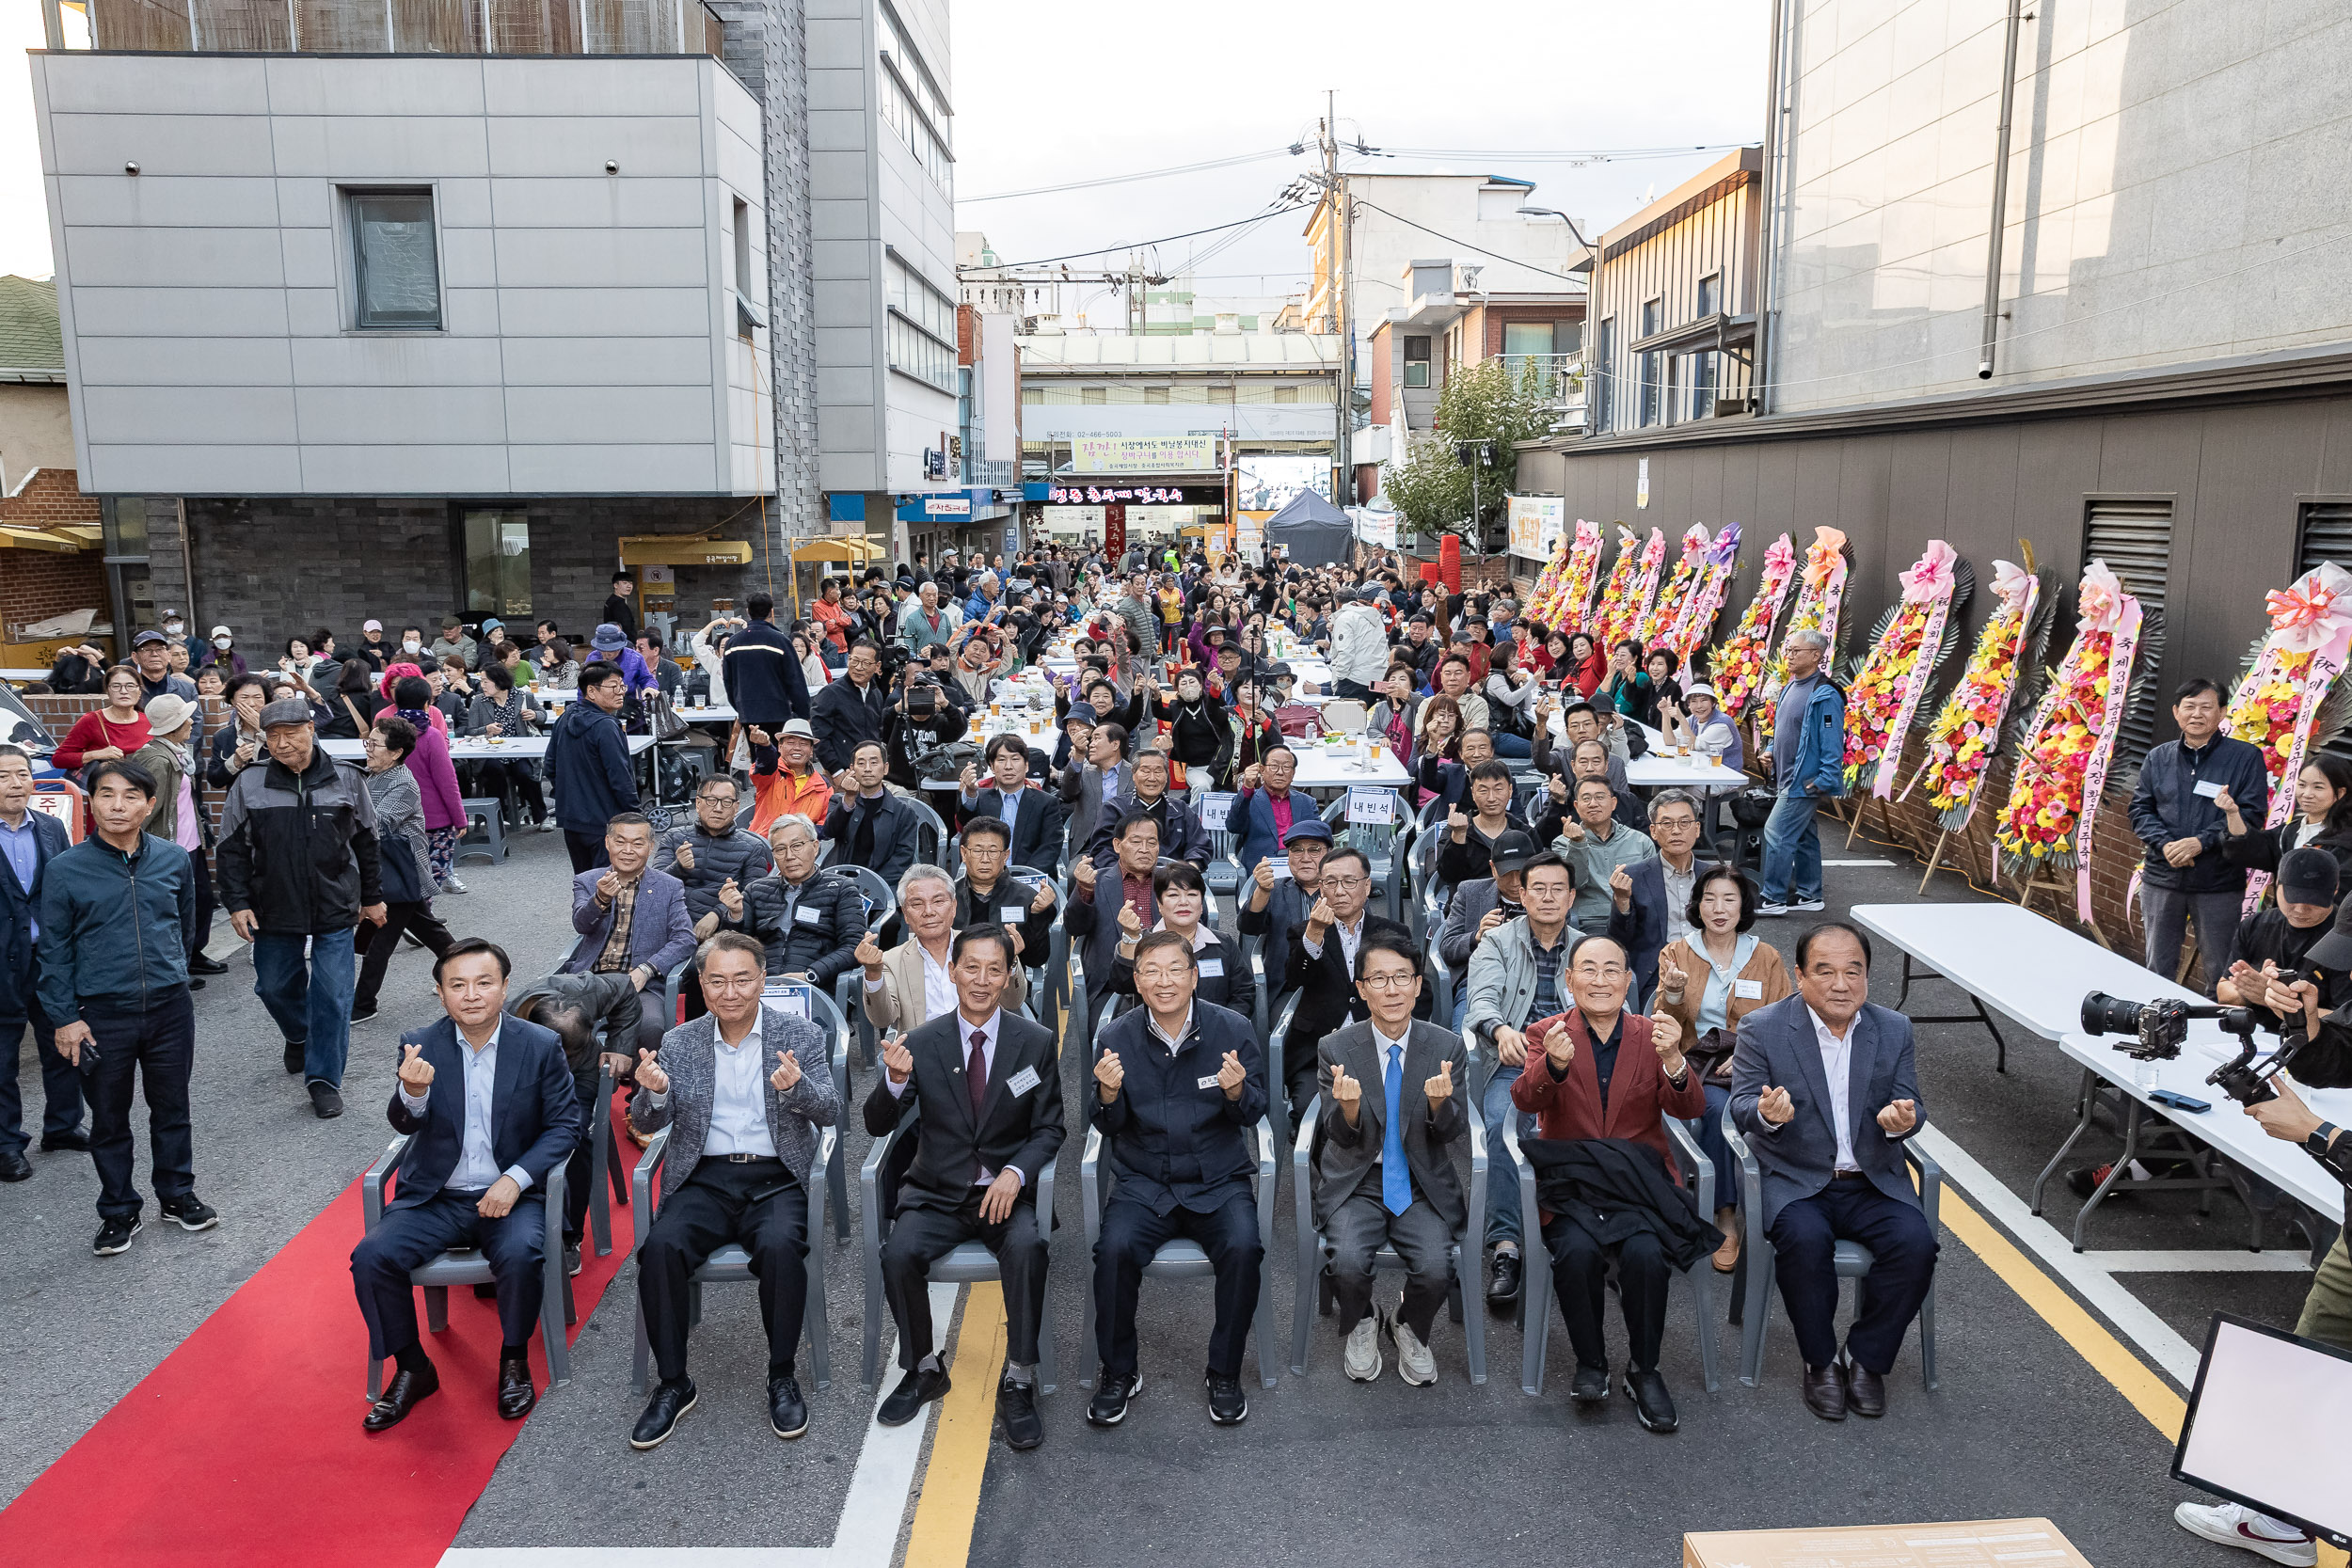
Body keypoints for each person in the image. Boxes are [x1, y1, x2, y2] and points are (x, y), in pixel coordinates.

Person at [350, 940, 581, 1432]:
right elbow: (404, 1124)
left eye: (483, 983)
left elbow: (565, 1126)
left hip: (510, 1194)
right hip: (436, 1196)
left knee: (521, 1254)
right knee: (371, 1258)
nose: (471, 995)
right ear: (440, 993)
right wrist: (412, 1093)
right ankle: (413, 1367)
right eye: (458, 985)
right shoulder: (420, 1044)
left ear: (504, 988)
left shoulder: (539, 1045)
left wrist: (515, 1180)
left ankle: (513, 1358)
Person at [626, 930, 839, 1449]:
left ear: (762, 980)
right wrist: (655, 1095)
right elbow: (648, 1120)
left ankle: (781, 1374)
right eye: (717, 981)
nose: (730, 992)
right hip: (704, 1177)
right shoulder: (681, 1041)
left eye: (742, 979)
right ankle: (674, 1382)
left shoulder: (799, 1034)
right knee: (660, 1248)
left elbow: (832, 1111)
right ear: (701, 984)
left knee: (781, 1248)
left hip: (776, 1177)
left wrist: (798, 1089)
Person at [1730, 923, 1937, 1421]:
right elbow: (1741, 1105)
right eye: (1825, 972)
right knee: (1804, 1243)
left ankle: (1866, 1359)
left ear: (1866, 977)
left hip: (1873, 1181)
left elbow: (1911, 1103)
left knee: (1916, 1246)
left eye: (1853, 972)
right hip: (1796, 1179)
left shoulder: (1894, 1028)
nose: (1841, 985)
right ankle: (1820, 1361)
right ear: (1800, 976)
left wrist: (1902, 1122)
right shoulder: (1763, 1027)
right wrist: (1766, 1115)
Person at [866, 926, 1063, 1449]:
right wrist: (893, 1082)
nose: (981, 979)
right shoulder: (921, 1042)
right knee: (898, 1254)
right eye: (970, 967)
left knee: (1028, 1248)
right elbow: (876, 1123)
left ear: (1009, 975)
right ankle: (924, 1368)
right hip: (937, 1191)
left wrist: (1015, 1172)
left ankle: (1018, 1377)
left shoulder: (1035, 1042)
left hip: (1003, 1194)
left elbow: (1050, 1127)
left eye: (994, 969)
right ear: (952, 972)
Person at [1514, 933, 1704, 1433]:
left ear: (1628, 980)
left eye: (1611, 970)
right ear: (1569, 979)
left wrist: (1675, 1062)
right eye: (1589, 970)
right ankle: (1591, 1362)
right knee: (1576, 1252)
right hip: (1572, 1181)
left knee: (1646, 1254)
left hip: (1636, 1184)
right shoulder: (1546, 1032)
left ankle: (1644, 1369)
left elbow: (1690, 1108)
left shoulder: (1652, 1033)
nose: (1600, 980)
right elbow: (1526, 1101)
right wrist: (1552, 1065)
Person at [1087, 927, 1266, 1425]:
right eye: (1151, 971)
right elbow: (1107, 1125)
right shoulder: (1115, 1037)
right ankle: (1119, 1372)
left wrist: (1237, 1093)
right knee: (1113, 1251)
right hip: (1145, 1181)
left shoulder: (1232, 1029)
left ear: (1194, 977)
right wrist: (1107, 1096)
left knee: (1244, 1248)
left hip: (1218, 1178)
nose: (1163, 981)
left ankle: (1224, 1372)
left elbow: (1255, 1111)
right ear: (1137, 981)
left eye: (1174, 970)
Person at [38, 760, 211, 1254]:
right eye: (107, 794)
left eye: (131, 796)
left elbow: (183, 926)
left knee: (172, 1108)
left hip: (169, 1008)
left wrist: (170, 973)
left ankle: (177, 1194)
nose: (118, 806)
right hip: (100, 1015)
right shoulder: (65, 869)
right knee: (109, 1117)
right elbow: (53, 950)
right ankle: (118, 1209)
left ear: (150, 805)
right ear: (91, 802)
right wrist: (65, 1018)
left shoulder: (173, 859)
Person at [1311, 929, 1470, 1385]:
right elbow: (1337, 1136)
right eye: (1378, 979)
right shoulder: (1335, 1048)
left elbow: (1451, 1133)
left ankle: (1407, 1323)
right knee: (1345, 1262)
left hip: (1420, 1180)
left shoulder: (1446, 1047)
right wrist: (1348, 1109)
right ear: (1362, 990)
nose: (1392, 989)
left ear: (1418, 985)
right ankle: (1364, 1318)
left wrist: (1440, 1106)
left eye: (1402, 977)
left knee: (1437, 1267)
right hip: (1358, 1179)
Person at [216, 697, 387, 1117]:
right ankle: (298, 1035)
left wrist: (372, 896)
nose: (281, 744)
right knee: (273, 986)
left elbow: (368, 841)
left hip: (335, 902)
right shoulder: (250, 782)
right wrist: (237, 902)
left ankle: (323, 1080)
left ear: (312, 729)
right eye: (273, 736)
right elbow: (231, 849)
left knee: (333, 994)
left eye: (291, 733)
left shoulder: (347, 778)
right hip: (272, 903)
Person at [1654, 865, 1792, 1274]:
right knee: (1719, 1108)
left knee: (1785, 1104)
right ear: (1697, 905)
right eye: (1710, 898)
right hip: (1698, 1062)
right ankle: (1726, 1214)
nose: (1719, 908)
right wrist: (1674, 991)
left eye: (1729, 899)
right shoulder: (1676, 953)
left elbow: (1786, 1019)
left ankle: (1783, 1203)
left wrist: (1749, 1054)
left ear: (1743, 906)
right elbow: (1664, 1023)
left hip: (1757, 1061)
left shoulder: (1766, 957)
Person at [2132, 678, 2273, 980]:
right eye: (2190, 706)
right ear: (2176, 712)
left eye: (2206, 707)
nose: (2197, 714)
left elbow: (2251, 814)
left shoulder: (2245, 758)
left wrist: (2201, 842)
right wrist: (2166, 844)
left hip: (2218, 882)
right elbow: (2140, 810)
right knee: (2157, 970)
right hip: (2163, 877)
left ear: (2222, 712)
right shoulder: (2158, 757)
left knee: (2221, 972)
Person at [1280, 847, 1416, 1117]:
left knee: (1396, 1108)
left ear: (1367, 886)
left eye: (1349, 882)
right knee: (1312, 1112)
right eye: (1330, 883)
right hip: (1318, 1050)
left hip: (1384, 1046)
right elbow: (1295, 978)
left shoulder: (1394, 933)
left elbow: (1418, 994)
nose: (1339, 891)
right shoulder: (1303, 931)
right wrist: (1315, 932)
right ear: (1321, 888)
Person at [0, 744, 83, 1181]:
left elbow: (65, 893)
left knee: (62, 1042)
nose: (16, 784)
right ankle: (6, 1144)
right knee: (2, 1057)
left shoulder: (50, 827)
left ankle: (64, 1125)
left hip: (48, 957)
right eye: (3, 776)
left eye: (22, 774)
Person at [562, 813, 694, 1053]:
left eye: (637, 843)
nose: (628, 851)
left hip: (639, 984)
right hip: (590, 979)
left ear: (651, 846)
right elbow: (581, 925)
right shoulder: (588, 881)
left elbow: (685, 938)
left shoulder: (669, 886)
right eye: (620, 842)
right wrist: (600, 899)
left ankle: (640, 1078)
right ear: (607, 842)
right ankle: (584, 1076)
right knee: (555, 1020)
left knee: (651, 1027)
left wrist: (647, 969)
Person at [352, 716, 454, 1025]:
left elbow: (377, 824)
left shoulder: (403, 783)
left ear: (396, 752)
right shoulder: (373, 774)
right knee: (432, 933)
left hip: (400, 869)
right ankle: (465, 971)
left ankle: (363, 1004)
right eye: (367, 742)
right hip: (390, 870)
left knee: (381, 941)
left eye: (374, 744)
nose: (368, 749)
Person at [861, 863, 1028, 1030]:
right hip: (922, 1045)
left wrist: (1010, 959)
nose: (928, 911)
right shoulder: (891, 961)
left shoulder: (981, 947)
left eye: (938, 901)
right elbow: (882, 1020)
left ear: (954, 907)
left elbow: (1012, 1002)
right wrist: (873, 973)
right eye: (917, 904)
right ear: (905, 914)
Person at [714, 814, 866, 985]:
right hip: (762, 984)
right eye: (780, 849)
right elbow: (732, 947)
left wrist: (811, 975)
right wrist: (735, 916)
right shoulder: (756, 890)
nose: (789, 856)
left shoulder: (841, 888)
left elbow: (854, 945)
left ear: (815, 847)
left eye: (797, 846)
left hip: (815, 983)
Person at [129, 695, 216, 984]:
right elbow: (146, 810)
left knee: (201, 900)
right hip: (172, 846)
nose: (191, 721)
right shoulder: (157, 759)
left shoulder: (175, 752)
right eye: (185, 717)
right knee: (176, 909)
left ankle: (193, 954)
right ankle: (178, 967)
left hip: (189, 843)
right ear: (174, 725)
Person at [1757, 629, 1845, 917]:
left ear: (1816, 655)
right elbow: (1785, 727)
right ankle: (1810, 895)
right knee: (1805, 837)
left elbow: (1832, 741)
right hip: (1786, 776)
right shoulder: (1790, 687)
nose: (1790, 656)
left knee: (1776, 832)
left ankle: (1773, 898)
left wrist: (1825, 778)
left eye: (1796, 651)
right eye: (1789, 650)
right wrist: (1771, 749)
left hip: (1803, 781)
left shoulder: (1825, 695)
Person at [1606, 789, 1718, 1009]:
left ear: (1697, 829)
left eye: (1684, 823)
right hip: (1657, 972)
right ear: (1653, 831)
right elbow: (1619, 939)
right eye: (1666, 823)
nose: (1676, 830)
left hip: (1711, 966)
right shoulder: (1634, 876)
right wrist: (1622, 901)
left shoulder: (1715, 876)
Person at [1067, 810, 1163, 1027]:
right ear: (1117, 845)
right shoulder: (1097, 881)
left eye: (1152, 842)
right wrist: (1083, 890)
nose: (1145, 849)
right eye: (1136, 841)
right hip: (1111, 986)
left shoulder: (1171, 883)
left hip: (1166, 978)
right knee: (1111, 1036)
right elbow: (1075, 927)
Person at [1110, 861, 1243, 1012]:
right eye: (1173, 895)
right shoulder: (1143, 942)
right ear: (1159, 904)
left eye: (1192, 894)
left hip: (1215, 1025)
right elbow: (1122, 985)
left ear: (1201, 905)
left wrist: (1223, 1022)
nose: (1183, 902)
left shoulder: (1223, 943)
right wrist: (1131, 937)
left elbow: (1243, 993)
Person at [548, 661, 642, 873]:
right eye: (613, 686)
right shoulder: (606, 726)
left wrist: (571, 796)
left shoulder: (565, 717)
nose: (621, 692)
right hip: (604, 820)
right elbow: (620, 777)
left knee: (584, 881)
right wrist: (635, 815)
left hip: (571, 819)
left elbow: (550, 767)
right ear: (591, 691)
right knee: (610, 883)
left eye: (622, 686)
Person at [2217, 753, 2352, 900]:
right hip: (2287, 913)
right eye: (2302, 785)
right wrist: (2232, 813)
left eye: (2318, 787)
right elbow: (2249, 849)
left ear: (2340, 793)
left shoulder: (2345, 842)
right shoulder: (2289, 832)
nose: (2307, 794)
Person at [655, 775, 774, 926]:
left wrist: (718, 914)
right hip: (670, 921)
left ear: (736, 807)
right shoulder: (674, 837)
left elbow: (753, 896)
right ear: (698, 803)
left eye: (726, 802)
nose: (718, 809)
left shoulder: (752, 847)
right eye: (711, 800)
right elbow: (654, 887)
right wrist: (679, 867)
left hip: (723, 927)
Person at [389, 673, 469, 895]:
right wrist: (460, 819)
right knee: (429, 882)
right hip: (434, 821)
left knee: (403, 880)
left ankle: (413, 914)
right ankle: (423, 914)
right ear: (427, 704)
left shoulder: (385, 734)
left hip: (395, 819)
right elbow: (447, 782)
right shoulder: (431, 736)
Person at [951, 818, 1057, 974]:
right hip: (955, 979)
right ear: (964, 853)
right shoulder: (947, 896)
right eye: (978, 851)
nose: (985, 859)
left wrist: (1038, 915)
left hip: (1008, 980)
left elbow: (1036, 960)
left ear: (1005, 856)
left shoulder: (1028, 898)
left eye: (993, 852)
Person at [957, 734, 1068, 877]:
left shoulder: (1046, 803)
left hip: (1029, 877)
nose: (1008, 767)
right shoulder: (981, 798)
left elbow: (1050, 847)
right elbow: (965, 824)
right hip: (987, 878)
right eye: (1001, 760)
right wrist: (970, 793)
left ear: (1026, 766)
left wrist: (1024, 878)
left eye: (1015, 759)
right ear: (992, 767)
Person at [1556, 775, 1657, 932]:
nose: (1593, 804)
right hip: (1589, 922)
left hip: (1635, 918)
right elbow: (1575, 883)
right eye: (1586, 798)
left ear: (1613, 803)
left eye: (1600, 797)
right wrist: (1578, 843)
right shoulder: (1562, 843)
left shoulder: (1640, 841)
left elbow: (1652, 888)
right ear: (1576, 806)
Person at [1087, 748, 1211, 870]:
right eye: (1145, 771)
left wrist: (1191, 868)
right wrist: (1122, 874)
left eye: (1158, 771)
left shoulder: (1181, 809)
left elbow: (1200, 845)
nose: (1152, 778)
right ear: (1134, 774)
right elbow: (1102, 850)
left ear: (1166, 776)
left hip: (1175, 878)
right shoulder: (1114, 808)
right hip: (1126, 877)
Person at [821, 739, 920, 886]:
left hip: (882, 885)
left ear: (885, 768)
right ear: (852, 769)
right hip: (840, 881)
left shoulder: (903, 812)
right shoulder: (839, 801)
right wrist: (849, 798)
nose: (867, 769)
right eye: (861, 763)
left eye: (874, 763)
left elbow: (902, 859)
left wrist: (872, 886)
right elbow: (829, 831)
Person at [721, 593, 814, 735]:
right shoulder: (781, 642)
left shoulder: (733, 643)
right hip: (778, 713)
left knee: (756, 748)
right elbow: (795, 681)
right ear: (772, 612)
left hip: (747, 713)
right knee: (778, 748)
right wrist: (804, 714)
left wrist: (740, 707)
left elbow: (728, 681)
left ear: (748, 611)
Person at [1436, 759, 1528, 891]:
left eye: (1498, 789)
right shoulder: (1455, 830)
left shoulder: (1523, 831)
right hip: (1468, 899)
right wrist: (1459, 836)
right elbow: (1449, 876)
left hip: (1516, 899)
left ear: (1510, 790)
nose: (1491, 798)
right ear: (1473, 793)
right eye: (1483, 791)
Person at [812, 641, 890, 783]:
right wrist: (836, 771)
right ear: (848, 659)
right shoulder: (831, 693)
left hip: (870, 773)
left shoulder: (876, 694)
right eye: (854, 661)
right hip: (842, 773)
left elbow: (878, 732)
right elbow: (819, 736)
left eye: (866, 663)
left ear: (877, 666)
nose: (859, 667)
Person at [51, 663, 151, 773]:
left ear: (139, 691)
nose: (123, 691)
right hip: (105, 781)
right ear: (107, 691)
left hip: (143, 781)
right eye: (116, 686)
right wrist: (96, 755)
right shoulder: (92, 720)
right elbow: (59, 759)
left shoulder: (149, 721)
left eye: (130, 686)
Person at [1229, 744, 1311, 878]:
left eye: (1286, 767)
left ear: (1293, 773)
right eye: (1274, 766)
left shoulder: (1307, 802)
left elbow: (1317, 837)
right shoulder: (1249, 800)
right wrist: (1247, 788)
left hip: (1300, 868)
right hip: (1262, 867)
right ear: (1262, 770)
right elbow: (1234, 826)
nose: (1280, 772)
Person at [749, 718, 834, 837]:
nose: (797, 748)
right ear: (780, 747)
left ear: (811, 751)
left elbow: (826, 825)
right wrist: (765, 746)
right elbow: (765, 765)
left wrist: (801, 835)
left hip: (801, 845)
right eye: (791, 742)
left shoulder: (823, 785)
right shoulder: (772, 772)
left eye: (803, 744)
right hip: (763, 844)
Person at [1059, 721, 1134, 851]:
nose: (1091, 744)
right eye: (1091, 739)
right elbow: (1067, 794)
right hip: (1088, 846)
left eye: (1097, 738)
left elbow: (1156, 794)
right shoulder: (1084, 772)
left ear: (1115, 744)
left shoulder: (1135, 774)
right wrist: (1078, 755)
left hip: (1126, 845)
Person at [130, 628, 199, 708]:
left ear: (169, 655)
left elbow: (196, 716)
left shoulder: (186, 688)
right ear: (135, 657)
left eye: (160, 649)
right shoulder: (129, 690)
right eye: (147, 650)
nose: (154, 654)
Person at [603, 571, 641, 641]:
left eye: (631, 583)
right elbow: (626, 628)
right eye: (625, 583)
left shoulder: (611, 600)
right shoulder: (618, 604)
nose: (629, 586)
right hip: (623, 643)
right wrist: (635, 643)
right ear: (616, 585)